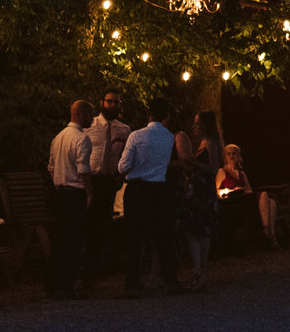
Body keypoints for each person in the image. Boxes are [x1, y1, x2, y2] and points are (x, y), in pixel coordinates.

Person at [118, 97, 186, 295]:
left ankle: (132, 282)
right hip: (159, 188)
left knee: (134, 236)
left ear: (149, 114)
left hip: (137, 190)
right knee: (163, 236)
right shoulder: (169, 137)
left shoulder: (136, 136)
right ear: (166, 116)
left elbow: (122, 166)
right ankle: (170, 279)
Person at [83, 87, 132, 281]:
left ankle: (98, 270)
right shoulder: (89, 126)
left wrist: (120, 177)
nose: (112, 105)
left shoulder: (124, 129)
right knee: (88, 225)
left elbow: (127, 157)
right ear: (101, 102)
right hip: (91, 179)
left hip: (109, 180)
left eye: (116, 102)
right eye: (109, 101)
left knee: (104, 226)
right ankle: (86, 269)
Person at [47, 99, 94, 297]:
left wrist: (59, 181)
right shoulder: (82, 139)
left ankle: (52, 284)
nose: (93, 119)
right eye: (91, 115)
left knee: (59, 239)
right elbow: (83, 169)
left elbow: (50, 167)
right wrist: (89, 192)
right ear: (82, 115)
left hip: (60, 193)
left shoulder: (58, 137)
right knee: (73, 241)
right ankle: (67, 285)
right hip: (75, 193)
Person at [177, 110, 225, 290]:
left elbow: (212, 168)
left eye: (197, 124)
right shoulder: (206, 143)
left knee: (194, 229)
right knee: (201, 231)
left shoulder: (210, 143)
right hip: (200, 189)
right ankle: (200, 271)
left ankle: (199, 270)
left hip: (202, 192)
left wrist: (193, 162)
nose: (194, 127)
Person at [217, 143, 279, 251]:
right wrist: (231, 190)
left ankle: (270, 236)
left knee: (271, 202)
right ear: (225, 157)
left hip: (245, 197)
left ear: (238, 156)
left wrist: (242, 190)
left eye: (234, 154)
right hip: (234, 200)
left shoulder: (241, 173)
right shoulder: (222, 172)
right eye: (228, 154)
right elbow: (217, 190)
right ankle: (268, 232)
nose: (231, 156)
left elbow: (249, 190)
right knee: (264, 194)